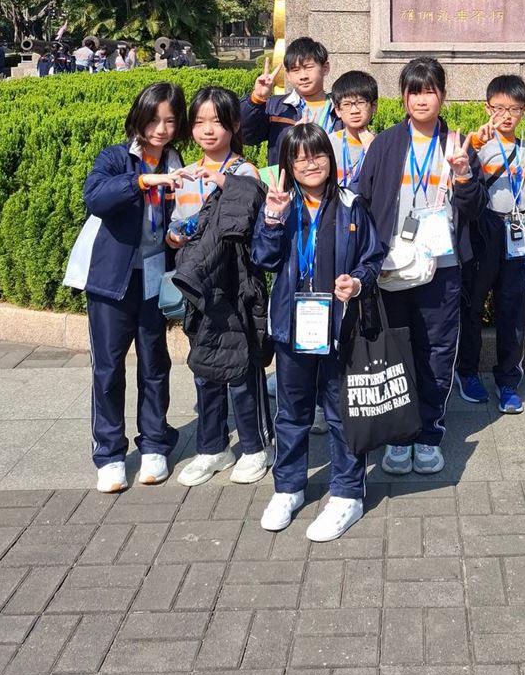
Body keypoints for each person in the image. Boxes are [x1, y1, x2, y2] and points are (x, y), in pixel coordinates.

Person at [252, 124, 384, 541]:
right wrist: (272, 219)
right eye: (300, 158)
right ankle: (288, 487)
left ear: (330, 157)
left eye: (318, 154)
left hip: (339, 326)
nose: (311, 164)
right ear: (288, 165)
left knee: (341, 412)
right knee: (292, 413)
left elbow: (373, 257)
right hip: (293, 327)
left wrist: (357, 282)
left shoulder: (351, 205)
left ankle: (347, 494)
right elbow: (264, 259)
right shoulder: (281, 204)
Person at [357, 57, 485, 475]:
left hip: (441, 267)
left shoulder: (458, 145)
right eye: (414, 91)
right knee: (395, 348)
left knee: (436, 350)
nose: (421, 99)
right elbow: (364, 201)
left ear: (443, 95)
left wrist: (464, 177)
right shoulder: (386, 144)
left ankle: (429, 433)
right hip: (393, 266)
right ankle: (399, 436)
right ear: (404, 97)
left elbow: (474, 210)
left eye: (430, 90)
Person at [76, 82, 188, 492]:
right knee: (108, 369)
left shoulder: (178, 163)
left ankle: (155, 444)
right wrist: (143, 181)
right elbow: (95, 198)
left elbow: (183, 215)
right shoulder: (116, 157)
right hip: (111, 281)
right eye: (153, 119)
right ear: (138, 118)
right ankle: (109, 454)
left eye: (170, 121)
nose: (161, 129)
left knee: (155, 363)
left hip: (154, 279)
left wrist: (179, 233)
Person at [170, 87, 274, 486]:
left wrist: (224, 182)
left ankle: (255, 446)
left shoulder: (244, 172)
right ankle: (212, 448)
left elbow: (250, 219)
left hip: (236, 282)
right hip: (199, 285)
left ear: (234, 125)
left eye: (216, 121)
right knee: (204, 366)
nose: (207, 130)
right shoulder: (185, 172)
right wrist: (174, 236)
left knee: (242, 366)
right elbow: (177, 222)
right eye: (199, 122)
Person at [456, 74, 525, 414]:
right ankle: (468, 372)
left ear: (524, 111)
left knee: (511, 308)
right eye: (499, 108)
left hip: (517, 230)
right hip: (484, 228)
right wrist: (474, 146)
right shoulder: (478, 145)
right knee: (472, 305)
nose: (506, 116)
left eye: (514, 109)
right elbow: (462, 184)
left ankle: (507, 380)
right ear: (487, 108)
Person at [240, 38, 340, 159]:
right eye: (296, 70)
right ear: (287, 75)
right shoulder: (275, 107)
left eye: (309, 67)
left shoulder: (340, 108)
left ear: (325, 68)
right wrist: (257, 99)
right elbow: (246, 136)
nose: (303, 76)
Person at [329, 70, 378, 188]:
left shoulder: (382, 144)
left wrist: (373, 151)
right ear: (338, 110)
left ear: (373, 106)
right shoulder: (328, 143)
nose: (354, 111)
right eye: (346, 104)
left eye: (361, 102)